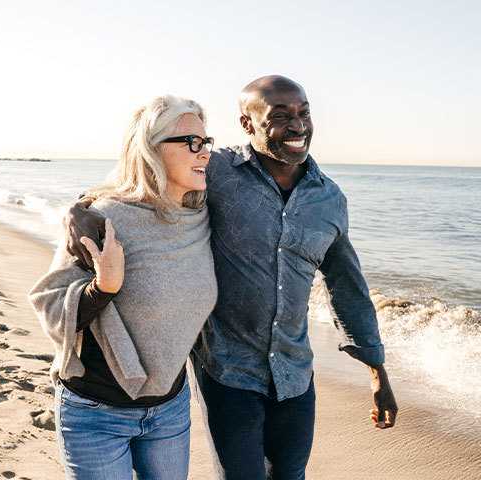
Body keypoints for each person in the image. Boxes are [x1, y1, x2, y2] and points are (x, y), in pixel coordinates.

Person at [64, 75, 399, 480]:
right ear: (247, 124)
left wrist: (377, 372)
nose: (297, 125)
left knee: (291, 475)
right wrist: (80, 206)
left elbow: (347, 286)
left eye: (303, 113)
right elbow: (145, 179)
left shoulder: (329, 198)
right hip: (226, 372)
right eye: (279, 115)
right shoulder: (216, 170)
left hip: (295, 374)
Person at [28, 95, 218, 480]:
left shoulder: (203, 215)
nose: (205, 153)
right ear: (150, 150)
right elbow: (48, 305)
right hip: (96, 411)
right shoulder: (105, 218)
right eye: (191, 143)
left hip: (170, 408)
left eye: (206, 141)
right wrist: (103, 287)